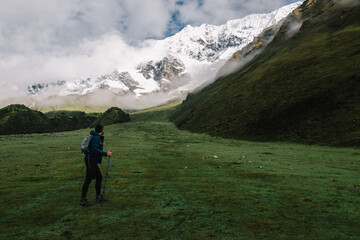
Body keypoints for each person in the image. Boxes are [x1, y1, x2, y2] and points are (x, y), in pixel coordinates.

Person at [80, 124, 112, 206]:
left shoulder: (95, 137)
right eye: (103, 129)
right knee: (88, 179)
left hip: (92, 160)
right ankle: (83, 200)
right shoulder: (97, 137)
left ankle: (98, 197)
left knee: (99, 177)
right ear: (101, 130)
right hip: (90, 160)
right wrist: (106, 154)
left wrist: (97, 162)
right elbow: (94, 150)